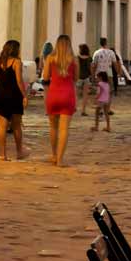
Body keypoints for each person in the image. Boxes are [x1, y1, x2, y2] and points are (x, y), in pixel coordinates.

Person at [0, 40, 28, 161]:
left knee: (2, 126)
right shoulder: (17, 62)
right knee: (16, 126)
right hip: (14, 95)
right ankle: (19, 152)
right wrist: (25, 95)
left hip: (0, 95)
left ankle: (2, 154)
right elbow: (19, 80)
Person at [43, 34, 77, 165]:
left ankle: (53, 154)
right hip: (67, 95)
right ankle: (60, 160)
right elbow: (75, 78)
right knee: (64, 129)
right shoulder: (73, 60)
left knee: (53, 127)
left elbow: (45, 77)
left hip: (53, 95)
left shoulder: (50, 59)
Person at [77, 43, 93, 115]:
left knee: (76, 95)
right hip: (86, 77)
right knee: (85, 95)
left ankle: (73, 108)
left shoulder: (77, 57)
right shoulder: (89, 58)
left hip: (78, 77)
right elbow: (90, 68)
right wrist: (92, 75)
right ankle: (83, 110)